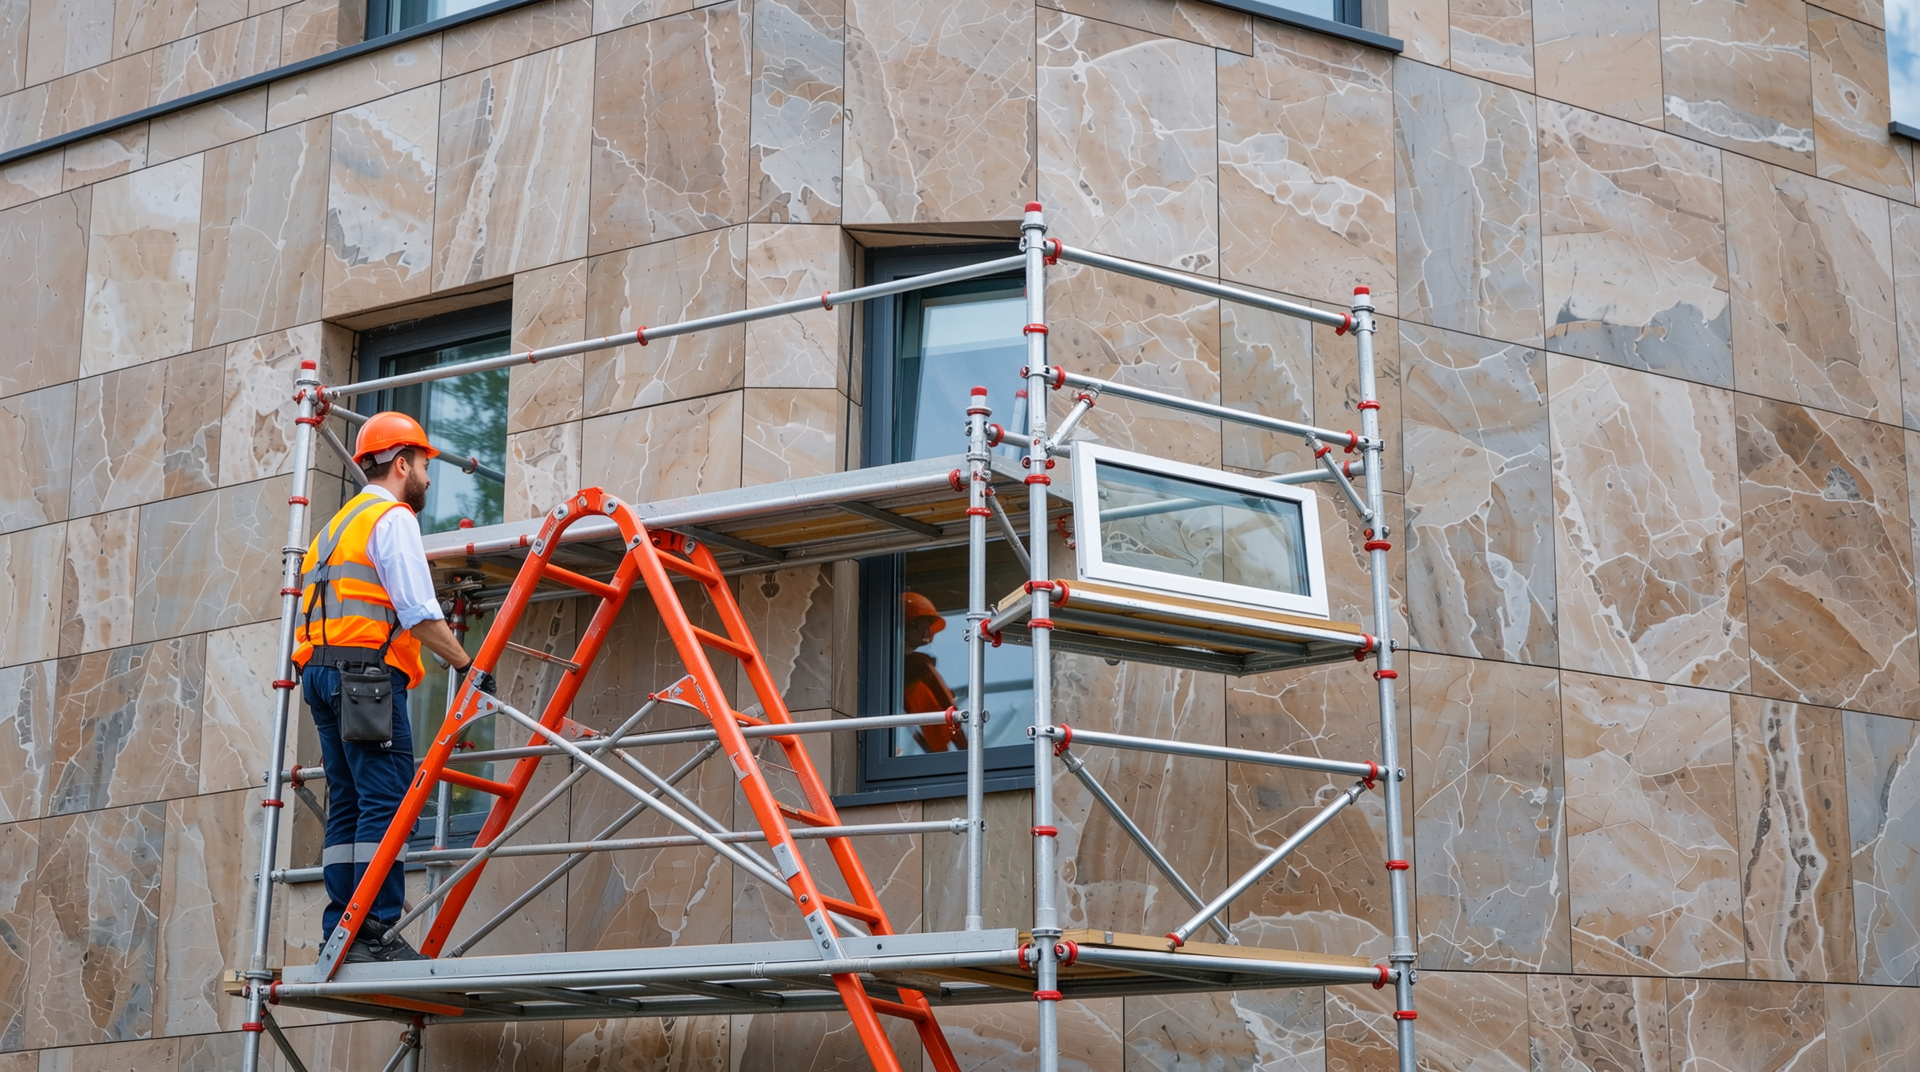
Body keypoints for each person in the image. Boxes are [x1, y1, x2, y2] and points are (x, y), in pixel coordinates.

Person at [292, 412, 496, 964]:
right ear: (401, 463)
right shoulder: (393, 517)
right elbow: (418, 612)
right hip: (366, 678)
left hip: (323, 674)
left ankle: (342, 929)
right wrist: (468, 665)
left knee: (350, 804)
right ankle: (375, 929)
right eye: (425, 465)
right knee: (385, 798)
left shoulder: (336, 527)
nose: (429, 478)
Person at [902, 591, 965, 752]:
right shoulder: (916, 666)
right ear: (910, 624)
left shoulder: (918, 665)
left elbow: (945, 708)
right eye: (926, 623)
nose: (928, 631)